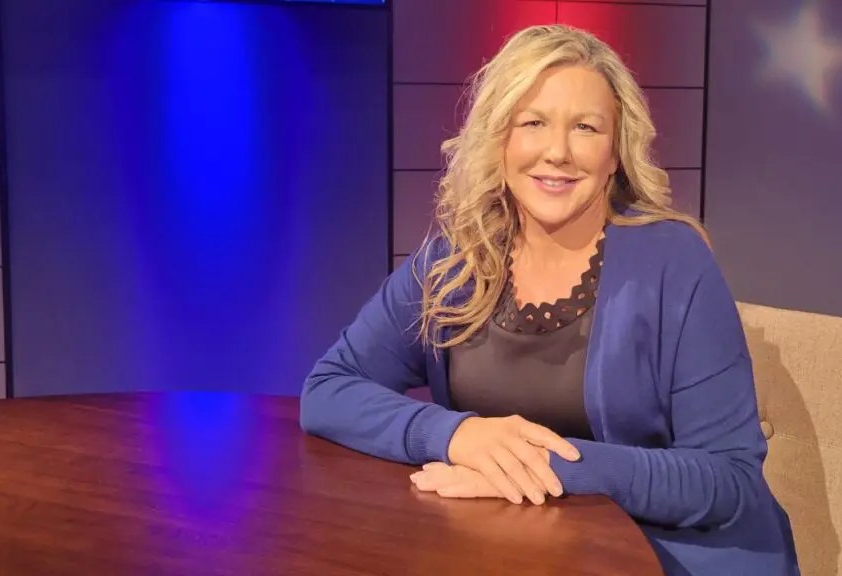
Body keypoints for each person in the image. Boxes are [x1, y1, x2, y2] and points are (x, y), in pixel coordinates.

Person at [300, 24, 799, 576]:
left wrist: (549, 465)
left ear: (616, 153)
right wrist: (454, 434)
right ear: (500, 141)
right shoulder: (454, 260)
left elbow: (728, 480)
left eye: (585, 128)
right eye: (533, 123)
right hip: (512, 549)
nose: (557, 152)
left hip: (665, 558)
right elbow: (328, 390)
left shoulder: (674, 261)